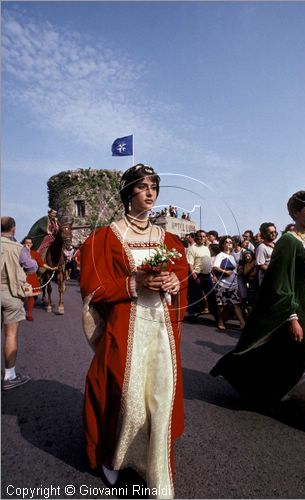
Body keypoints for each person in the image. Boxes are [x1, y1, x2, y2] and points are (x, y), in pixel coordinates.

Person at [80, 164, 188, 498]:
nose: (150, 192)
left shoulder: (166, 238)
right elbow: (93, 287)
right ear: (129, 193)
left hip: (159, 327)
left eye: (154, 186)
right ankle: (113, 455)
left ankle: (151, 453)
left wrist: (174, 279)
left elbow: (182, 269)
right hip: (125, 323)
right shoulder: (106, 237)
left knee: (158, 390)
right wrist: (133, 282)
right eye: (143, 187)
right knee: (122, 389)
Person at [211, 190, 305, 437]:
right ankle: (298, 400)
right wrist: (292, 317)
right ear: (295, 213)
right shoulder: (289, 242)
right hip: (302, 306)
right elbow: (280, 283)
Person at [1, 217, 31, 390]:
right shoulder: (19, 248)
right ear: (13, 229)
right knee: (10, 335)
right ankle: (9, 376)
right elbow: (32, 267)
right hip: (11, 295)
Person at [19, 237, 57, 321]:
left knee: (33, 296)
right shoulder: (19, 252)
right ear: (23, 243)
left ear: (32, 244)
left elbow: (42, 263)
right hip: (21, 277)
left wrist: (51, 268)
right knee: (22, 295)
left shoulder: (35, 254)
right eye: (26, 242)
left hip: (32, 277)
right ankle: (20, 311)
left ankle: (29, 313)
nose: (28, 244)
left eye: (30, 243)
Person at [212, 236, 246, 331]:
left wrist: (237, 272)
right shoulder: (220, 255)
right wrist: (226, 272)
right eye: (226, 242)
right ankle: (220, 321)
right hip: (223, 284)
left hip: (233, 284)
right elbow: (215, 267)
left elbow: (234, 269)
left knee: (236, 304)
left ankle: (242, 323)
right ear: (222, 244)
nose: (229, 243)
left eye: (230, 242)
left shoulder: (232, 256)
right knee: (221, 305)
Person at [186, 229, 218, 321]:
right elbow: (190, 265)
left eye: (203, 236)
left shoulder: (206, 248)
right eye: (200, 236)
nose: (201, 238)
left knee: (212, 296)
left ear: (206, 238)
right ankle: (192, 315)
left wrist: (214, 275)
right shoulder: (192, 249)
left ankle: (216, 316)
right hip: (197, 275)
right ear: (196, 237)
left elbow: (208, 263)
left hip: (207, 275)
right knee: (195, 296)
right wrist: (195, 277)